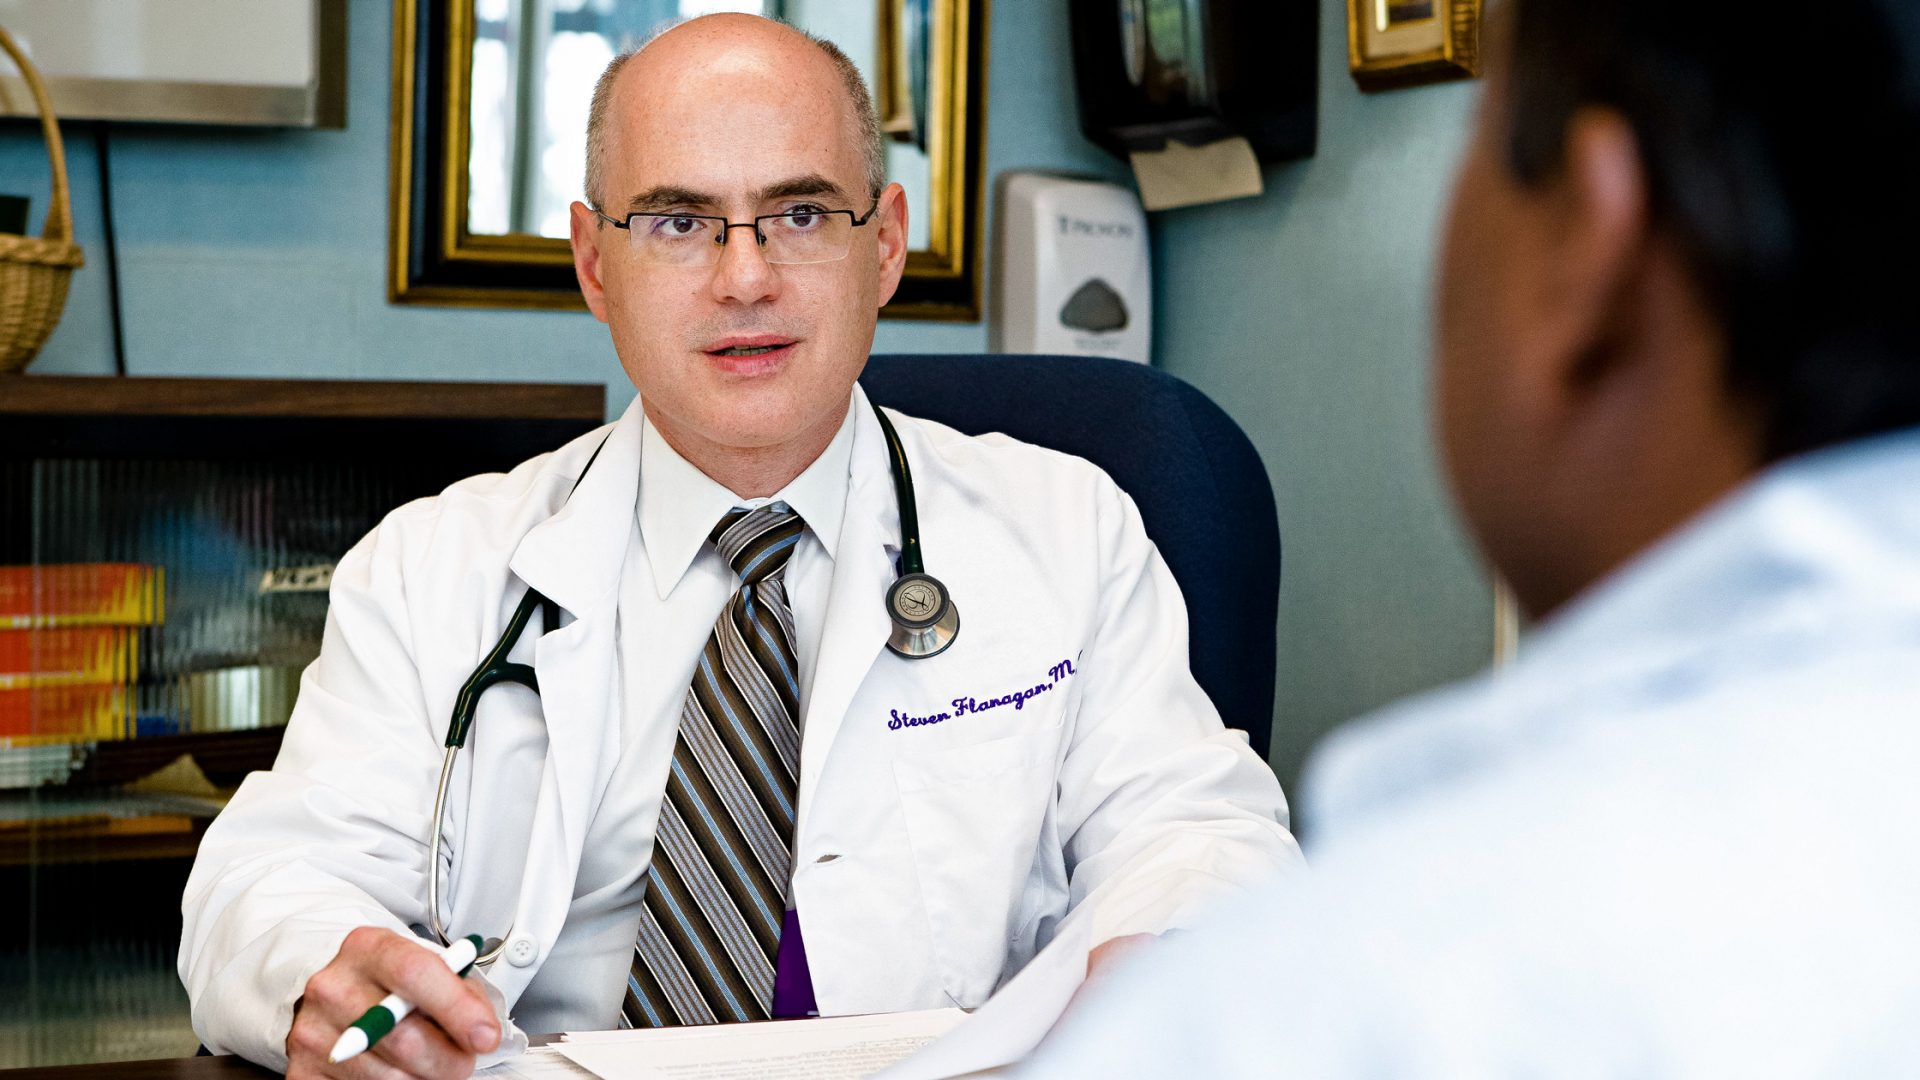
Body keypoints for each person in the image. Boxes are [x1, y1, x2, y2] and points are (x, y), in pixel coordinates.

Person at [176, 14, 1301, 1078]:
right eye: (677, 221)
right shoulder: (432, 570)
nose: (746, 276)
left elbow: (1197, 830)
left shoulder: (1068, 530)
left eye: (803, 214)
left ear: (888, 247)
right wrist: (322, 970)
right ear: (595, 264)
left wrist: (1165, 942)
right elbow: (266, 881)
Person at [1018, 0, 1920, 1074]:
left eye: (1476, 133)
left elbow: (1190, 834)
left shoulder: (1346, 1002)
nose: (752, 278)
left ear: (1590, 239)